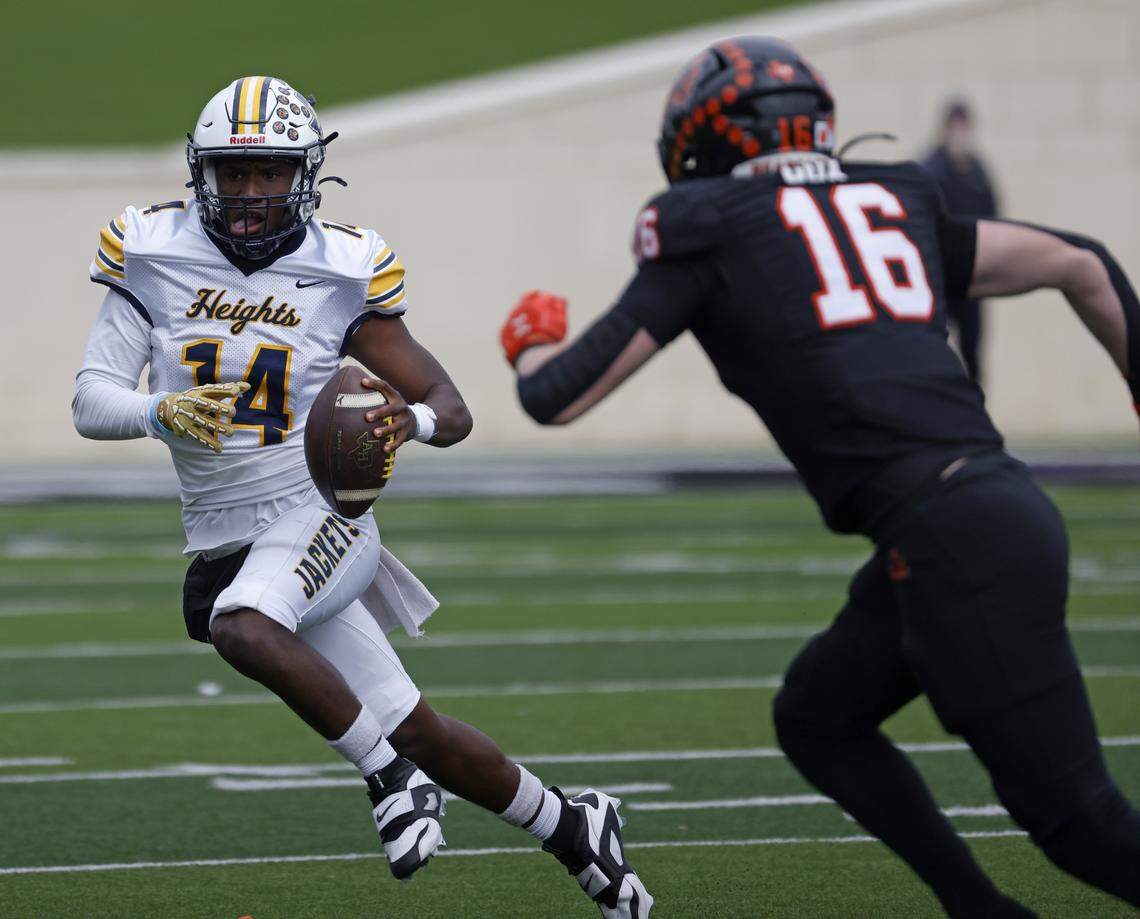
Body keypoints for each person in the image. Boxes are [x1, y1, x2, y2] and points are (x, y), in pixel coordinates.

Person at [499, 38, 1139, 918]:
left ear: (709, 138)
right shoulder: (899, 199)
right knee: (817, 715)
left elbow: (556, 397)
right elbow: (1085, 263)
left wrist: (529, 342)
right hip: (984, 510)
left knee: (1081, 824)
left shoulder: (709, 227)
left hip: (953, 537)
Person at [73, 75, 651, 919]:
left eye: (269, 171)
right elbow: (91, 399)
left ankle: (389, 777)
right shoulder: (151, 249)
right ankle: (573, 826)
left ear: (305, 173)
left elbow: (452, 409)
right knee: (414, 723)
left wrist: (400, 422)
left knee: (244, 625)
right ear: (201, 173)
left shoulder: (343, 267)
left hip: (323, 515)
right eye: (233, 172)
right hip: (231, 535)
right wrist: (158, 408)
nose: (248, 191)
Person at [921, 99, 1000, 382]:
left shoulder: (977, 171)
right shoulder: (931, 169)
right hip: (939, 279)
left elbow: (994, 218)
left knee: (973, 349)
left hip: (972, 278)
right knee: (934, 350)